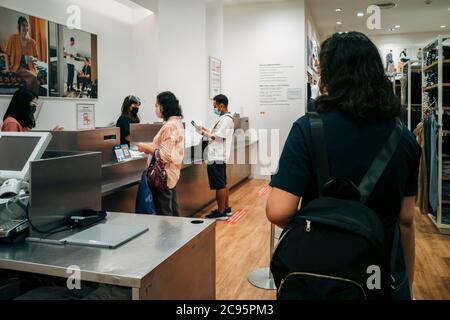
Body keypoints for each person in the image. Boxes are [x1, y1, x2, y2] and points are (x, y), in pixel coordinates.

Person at [266, 32, 420, 298]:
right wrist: (406, 284)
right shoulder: (403, 137)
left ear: (329, 76)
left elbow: (278, 211)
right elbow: (406, 219)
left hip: (319, 275)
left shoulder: (307, 129)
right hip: (379, 274)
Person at [137, 91, 185, 216]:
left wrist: (146, 148)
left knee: (164, 216)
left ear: (164, 106)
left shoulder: (170, 126)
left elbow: (165, 155)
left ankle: (168, 236)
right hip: (171, 176)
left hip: (163, 177)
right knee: (173, 213)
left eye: (156, 105)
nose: (156, 108)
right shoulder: (177, 123)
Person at [200, 94, 235, 220]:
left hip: (217, 155)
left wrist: (205, 133)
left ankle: (221, 212)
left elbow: (218, 136)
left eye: (215, 106)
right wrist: (205, 130)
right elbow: (215, 133)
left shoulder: (226, 120)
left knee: (219, 185)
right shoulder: (223, 118)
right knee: (223, 183)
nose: (214, 108)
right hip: (218, 155)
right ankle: (226, 208)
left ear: (222, 105)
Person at [4, 16, 39, 94]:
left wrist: (32, 58)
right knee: (33, 77)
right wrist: (7, 68)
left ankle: (31, 98)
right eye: (23, 25)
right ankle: (32, 98)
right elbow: (6, 54)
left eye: (27, 25)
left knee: (34, 76)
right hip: (17, 66)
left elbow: (36, 58)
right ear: (19, 26)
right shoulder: (12, 38)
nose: (26, 27)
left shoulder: (32, 42)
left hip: (29, 66)